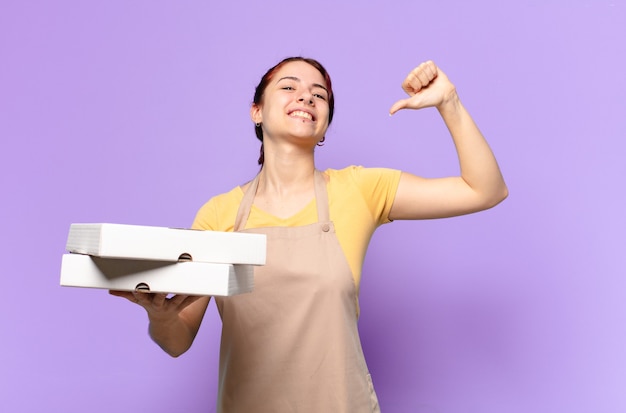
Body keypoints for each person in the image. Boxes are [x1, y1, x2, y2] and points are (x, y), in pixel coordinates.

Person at [110, 57, 507, 412]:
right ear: (257, 111)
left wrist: (448, 102)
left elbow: (485, 190)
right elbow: (177, 342)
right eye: (289, 87)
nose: (306, 97)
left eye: (319, 94)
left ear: (324, 127)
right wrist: (160, 315)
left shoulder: (359, 190)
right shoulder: (220, 214)